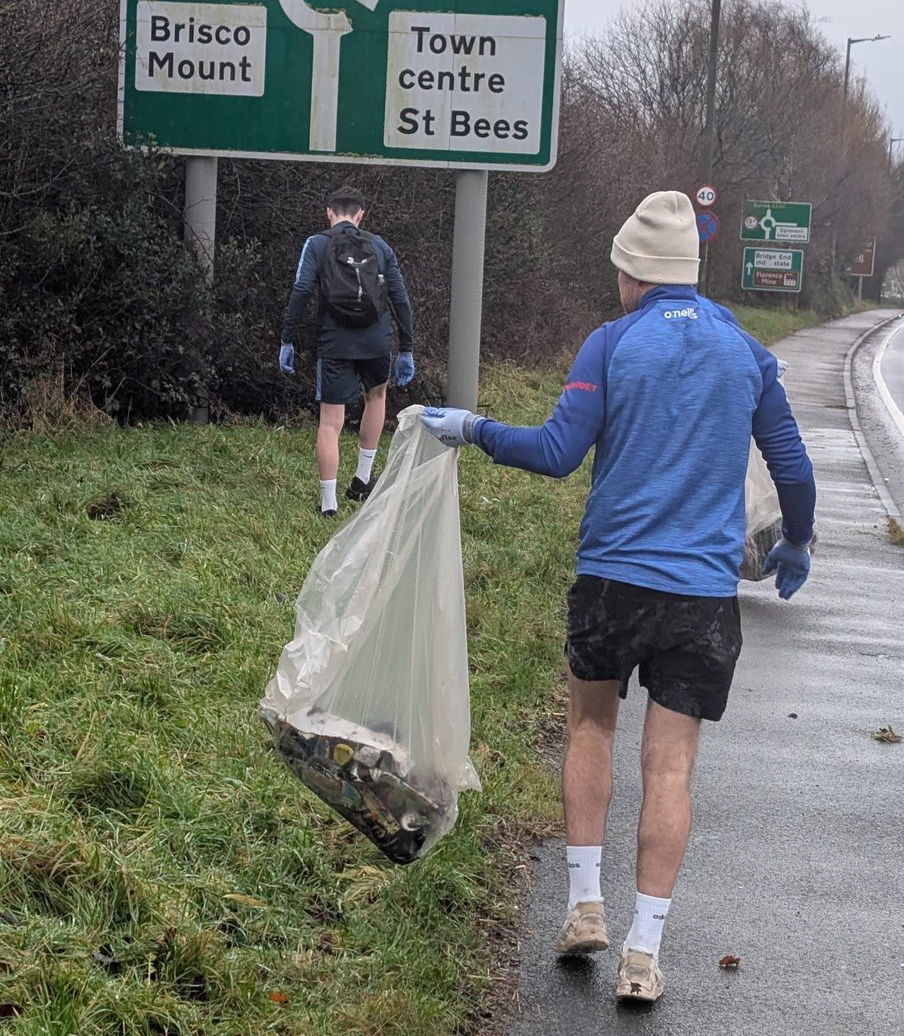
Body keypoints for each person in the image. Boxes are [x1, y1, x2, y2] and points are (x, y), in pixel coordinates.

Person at [420, 191, 815, 1005]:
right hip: (701, 597)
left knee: (592, 727)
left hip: (611, 583)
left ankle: (583, 906)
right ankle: (643, 953)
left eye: (620, 272)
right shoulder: (746, 354)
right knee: (669, 766)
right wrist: (798, 542)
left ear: (635, 271)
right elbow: (793, 470)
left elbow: (558, 452)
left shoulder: (611, 342)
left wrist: (471, 427)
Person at [280, 186, 415, 516]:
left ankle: (329, 504)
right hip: (376, 341)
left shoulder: (317, 244)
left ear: (329, 212)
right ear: (360, 215)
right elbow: (400, 299)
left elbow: (300, 291)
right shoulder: (380, 246)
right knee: (376, 397)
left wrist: (287, 339)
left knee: (330, 421)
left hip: (335, 341)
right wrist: (407, 347)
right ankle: (362, 480)